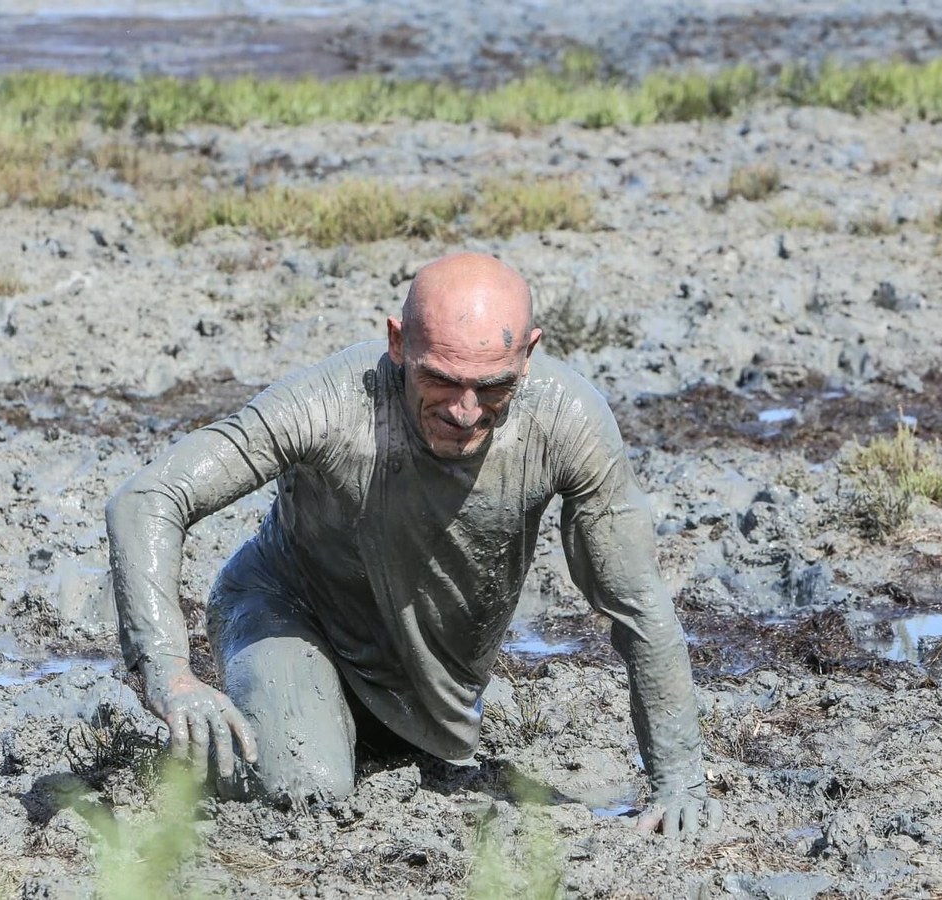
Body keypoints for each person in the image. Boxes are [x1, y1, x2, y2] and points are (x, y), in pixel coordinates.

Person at [106, 252, 719, 838]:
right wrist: (169, 673)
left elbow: (637, 602)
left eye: (492, 387)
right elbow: (149, 499)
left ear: (528, 355)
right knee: (307, 790)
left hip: (423, 689)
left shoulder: (568, 422)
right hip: (289, 614)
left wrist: (678, 781)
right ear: (398, 344)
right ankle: (256, 729)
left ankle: (339, 730)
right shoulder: (331, 403)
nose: (464, 411)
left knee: (385, 756)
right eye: (440, 380)